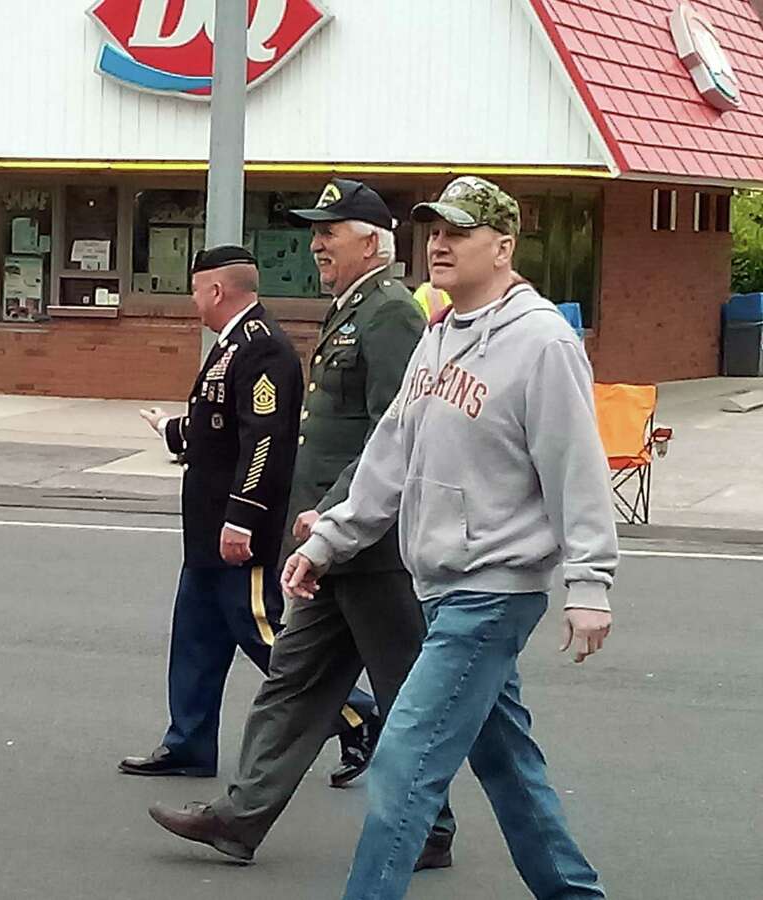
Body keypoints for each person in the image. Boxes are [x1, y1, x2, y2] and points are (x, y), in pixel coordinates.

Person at [284, 176, 617, 900]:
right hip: (439, 584)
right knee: (507, 764)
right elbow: (390, 454)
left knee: (403, 760)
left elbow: (576, 467)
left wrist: (589, 583)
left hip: (492, 589)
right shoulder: (438, 336)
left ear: (503, 247)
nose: (439, 244)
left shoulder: (541, 343)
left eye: (458, 233)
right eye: (434, 231)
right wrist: (328, 540)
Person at [147, 180, 455, 866]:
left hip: (371, 546)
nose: (316, 244)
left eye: (329, 232)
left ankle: (430, 827)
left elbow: (395, 433)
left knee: (406, 690)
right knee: (291, 682)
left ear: (370, 243)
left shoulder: (389, 314)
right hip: (330, 544)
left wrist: (339, 511)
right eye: (316, 232)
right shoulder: (352, 309)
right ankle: (239, 818)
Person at [120, 245, 375, 781]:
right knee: (196, 637)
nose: (193, 302)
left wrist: (242, 517)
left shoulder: (262, 348)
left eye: (196, 291)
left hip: (238, 529)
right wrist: (170, 429)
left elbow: (265, 440)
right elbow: (219, 427)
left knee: (265, 635)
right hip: (207, 530)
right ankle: (188, 743)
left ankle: (357, 714)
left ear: (216, 290)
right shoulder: (231, 345)